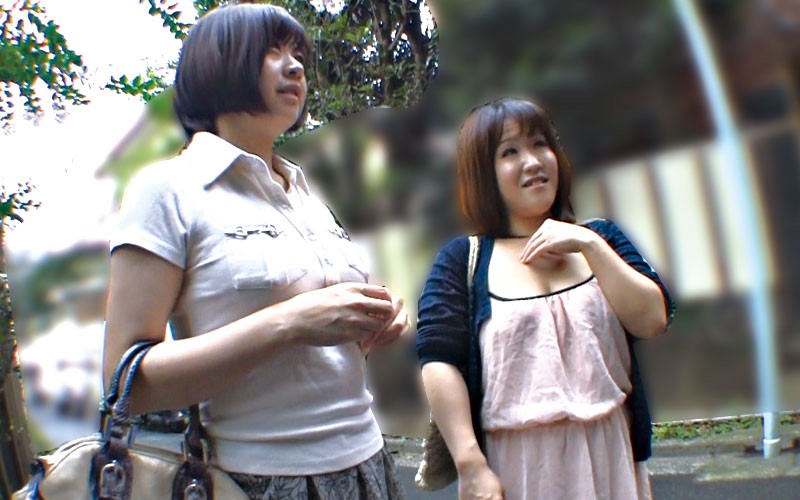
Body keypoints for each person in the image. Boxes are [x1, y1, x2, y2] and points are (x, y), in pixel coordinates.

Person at [103, 4, 408, 499]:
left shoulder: (307, 197)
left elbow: (322, 350)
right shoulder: (166, 190)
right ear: (217, 65)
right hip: (254, 479)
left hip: (369, 467)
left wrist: (374, 322)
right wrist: (289, 323)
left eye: (298, 54)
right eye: (271, 52)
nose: (295, 67)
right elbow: (125, 384)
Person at [416, 97, 675, 500]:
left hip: (611, 455)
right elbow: (438, 360)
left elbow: (652, 318)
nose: (533, 161)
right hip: (518, 467)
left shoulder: (602, 238)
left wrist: (588, 244)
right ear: (483, 173)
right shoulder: (463, 260)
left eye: (540, 144)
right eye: (510, 152)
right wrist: (471, 466)